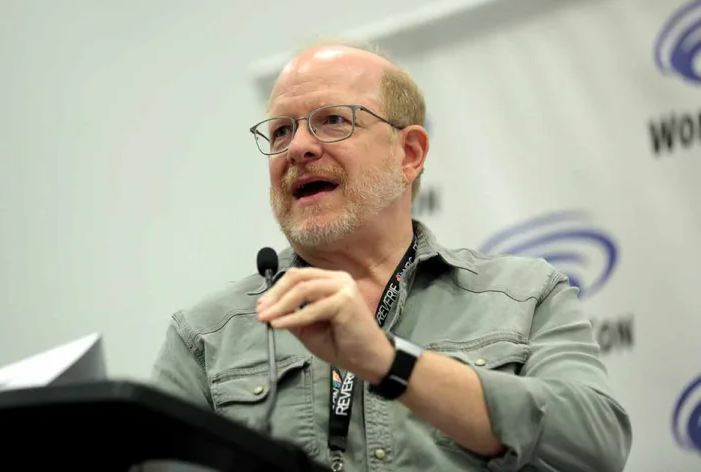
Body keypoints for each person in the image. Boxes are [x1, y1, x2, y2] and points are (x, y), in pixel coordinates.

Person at [150, 40, 632, 472]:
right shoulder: (206, 335)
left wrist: (389, 363)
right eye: (280, 132)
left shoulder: (523, 296)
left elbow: (597, 444)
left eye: (333, 120)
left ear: (410, 154)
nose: (297, 148)